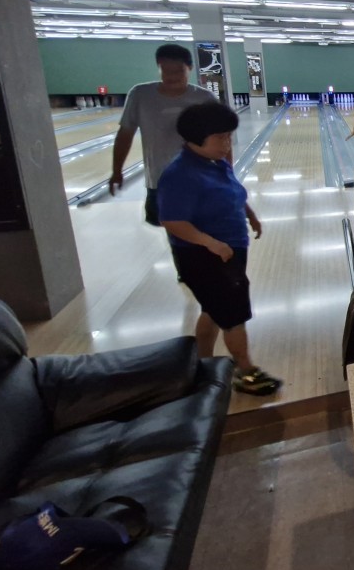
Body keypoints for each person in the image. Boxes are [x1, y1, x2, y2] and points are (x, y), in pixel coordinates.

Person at [157, 101, 281, 396]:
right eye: (220, 138)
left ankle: (202, 364)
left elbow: (232, 193)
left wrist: (250, 215)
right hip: (205, 256)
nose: (227, 144)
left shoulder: (214, 162)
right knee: (233, 315)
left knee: (213, 309)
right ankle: (245, 372)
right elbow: (172, 220)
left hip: (226, 250)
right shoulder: (180, 174)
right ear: (195, 138)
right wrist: (210, 243)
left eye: (228, 136)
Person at [109, 44, 215, 226]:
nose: (172, 77)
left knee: (199, 230)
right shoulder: (140, 95)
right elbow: (125, 135)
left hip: (199, 179)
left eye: (178, 71)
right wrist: (117, 171)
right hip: (159, 180)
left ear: (189, 68)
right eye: (166, 71)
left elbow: (221, 137)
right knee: (171, 229)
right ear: (158, 67)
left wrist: (227, 175)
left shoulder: (205, 98)